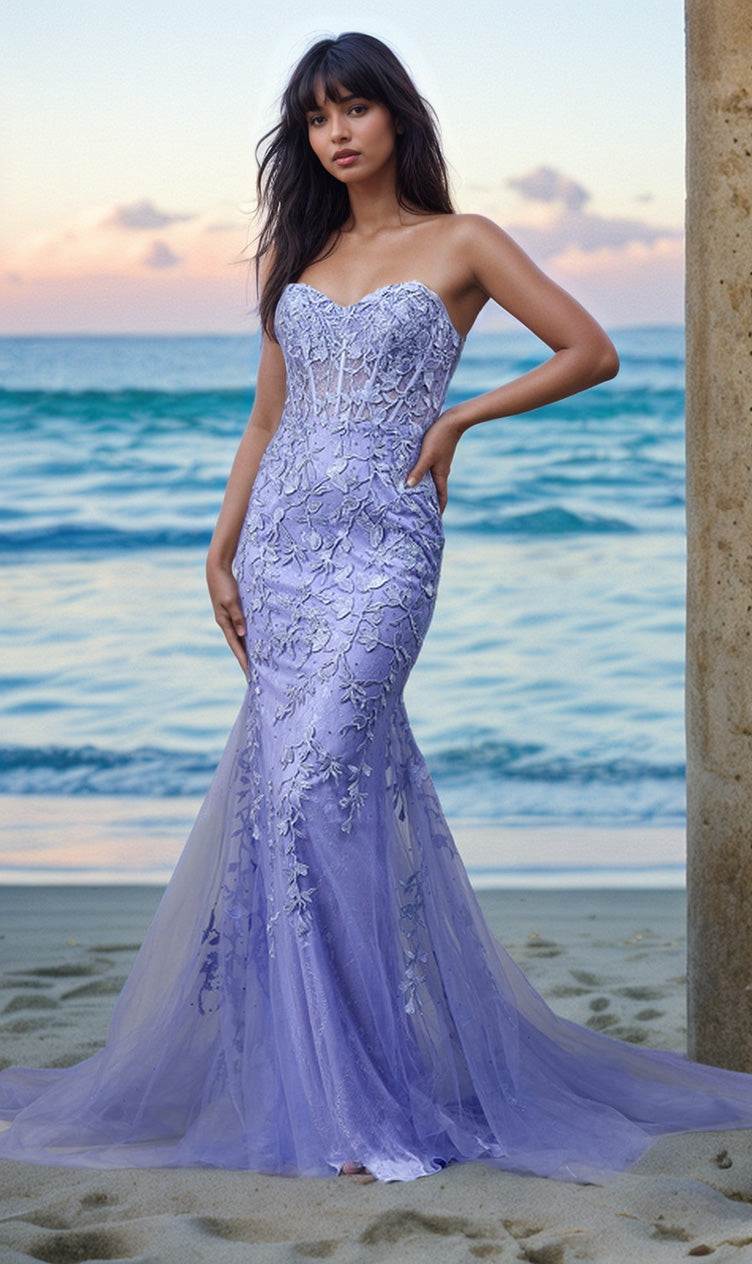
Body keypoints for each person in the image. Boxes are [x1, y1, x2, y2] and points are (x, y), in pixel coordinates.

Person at [0, 31, 751, 1184]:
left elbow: (588, 350)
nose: (336, 132)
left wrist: (455, 419)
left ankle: (356, 1096)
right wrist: (219, 547)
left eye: (354, 108)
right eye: (315, 116)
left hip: (385, 549)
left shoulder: (461, 241)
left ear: (396, 116)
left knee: (313, 788)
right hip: (282, 549)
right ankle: (329, 1084)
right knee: (294, 803)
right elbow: (265, 421)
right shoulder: (294, 253)